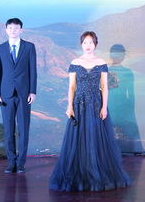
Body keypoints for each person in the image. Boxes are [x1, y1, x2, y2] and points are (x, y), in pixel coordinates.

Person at [49, 31, 130, 192]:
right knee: (78, 139)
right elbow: (72, 86)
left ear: (95, 44)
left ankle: (96, 172)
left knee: (96, 138)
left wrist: (104, 107)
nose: (88, 45)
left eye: (91, 42)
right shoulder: (75, 62)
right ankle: (79, 174)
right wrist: (70, 106)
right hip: (79, 104)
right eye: (85, 42)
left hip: (95, 104)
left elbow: (104, 86)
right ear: (81, 44)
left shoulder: (101, 63)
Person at [0, 18, 37, 174]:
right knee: (8, 130)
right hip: (6, 95)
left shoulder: (29, 47)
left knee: (24, 129)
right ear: (6, 30)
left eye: (16, 28)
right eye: (10, 28)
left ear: (21, 30)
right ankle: (11, 162)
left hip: (24, 94)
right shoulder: (0, 48)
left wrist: (32, 91)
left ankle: (20, 163)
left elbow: (33, 70)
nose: (13, 30)